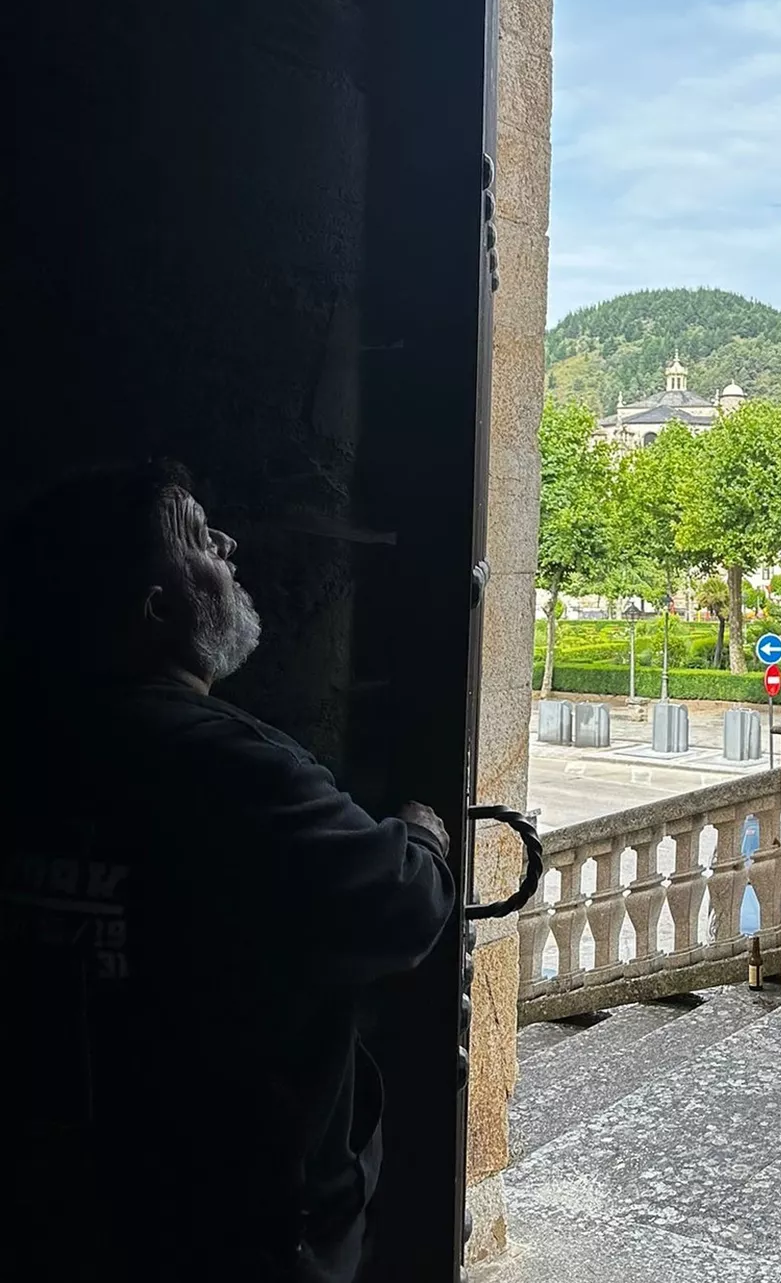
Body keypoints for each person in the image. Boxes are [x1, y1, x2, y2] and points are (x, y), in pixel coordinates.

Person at [0, 460, 455, 1282]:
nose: (231, 545)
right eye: (202, 540)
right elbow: (403, 905)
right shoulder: (235, 768)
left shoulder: (30, 741)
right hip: (231, 1228)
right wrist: (422, 834)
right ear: (158, 605)